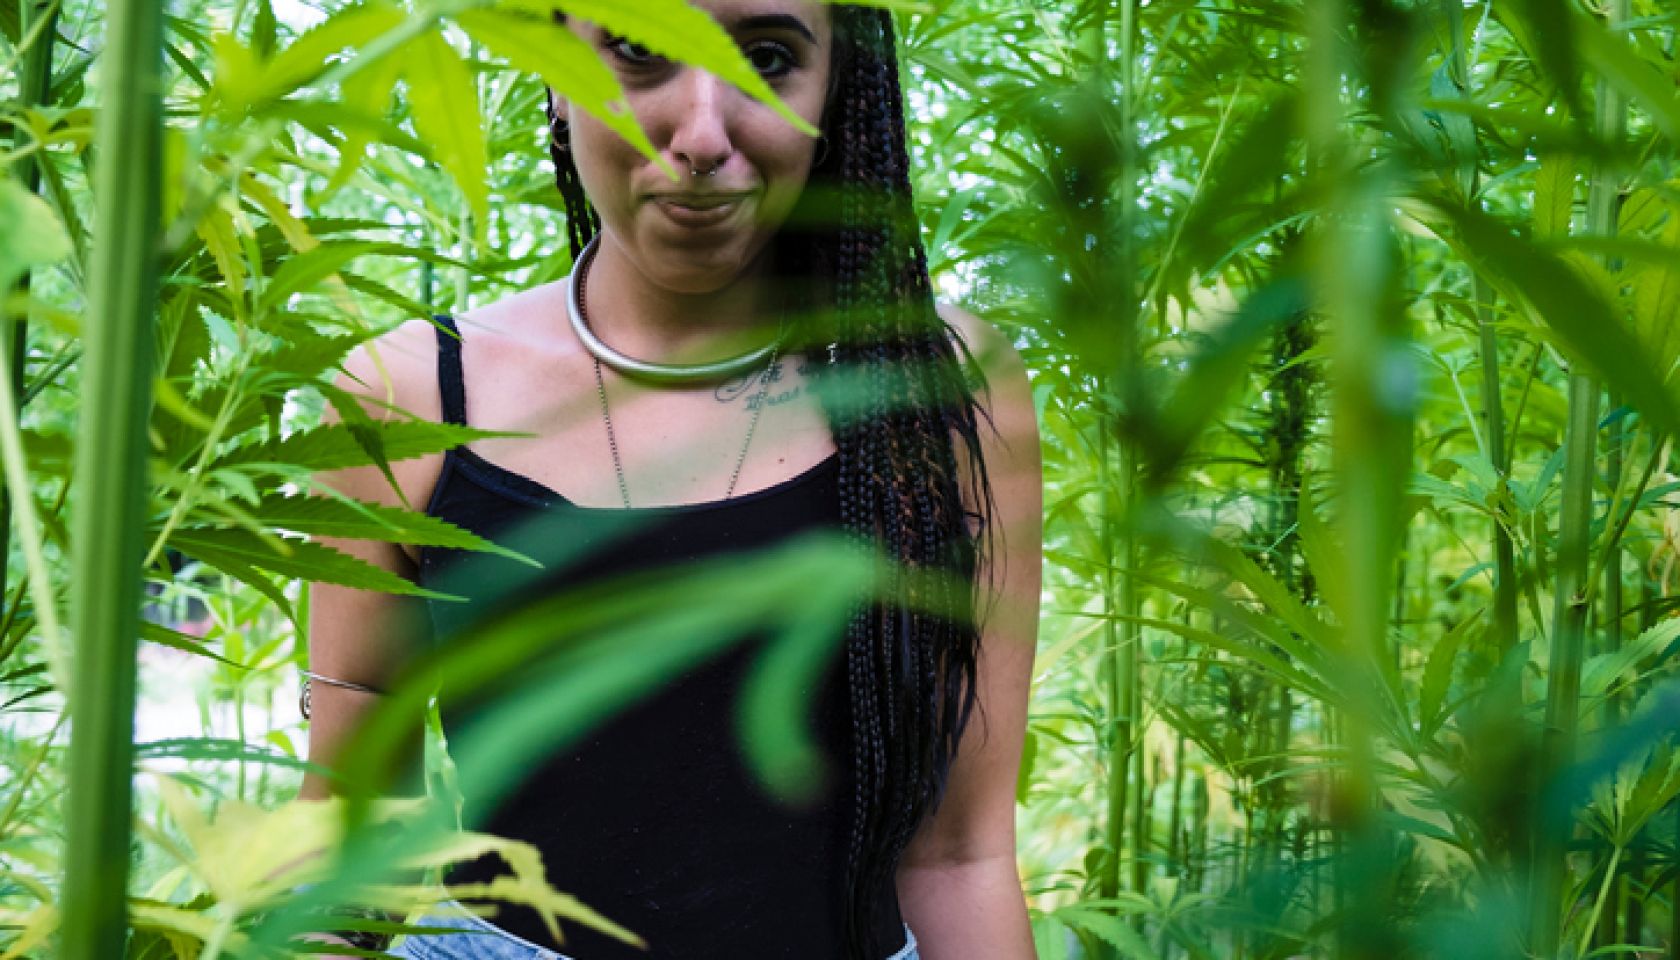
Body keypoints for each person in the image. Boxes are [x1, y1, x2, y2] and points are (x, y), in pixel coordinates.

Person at [299, 2, 1041, 958]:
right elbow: (352, 845)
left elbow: (959, 857)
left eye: (769, 59)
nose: (701, 132)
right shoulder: (405, 394)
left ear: (838, 87)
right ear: (554, 71)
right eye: (641, 52)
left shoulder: (936, 387)